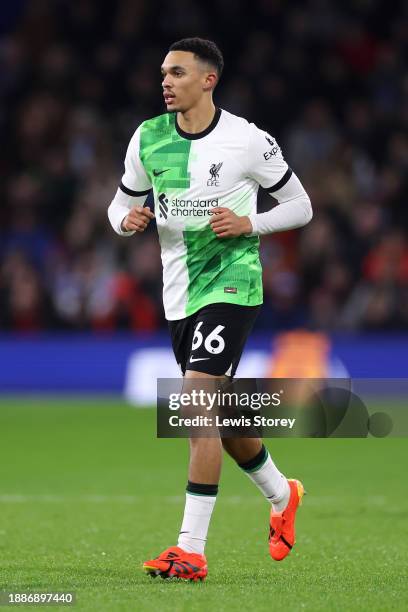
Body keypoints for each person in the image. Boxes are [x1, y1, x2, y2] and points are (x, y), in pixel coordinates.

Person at [108, 37, 312, 581]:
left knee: (196, 409)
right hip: (179, 293)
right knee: (220, 420)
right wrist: (123, 221)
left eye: (177, 73)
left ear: (208, 79)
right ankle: (282, 494)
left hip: (232, 285)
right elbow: (120, 202)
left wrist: (251, 223)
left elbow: (301, 205)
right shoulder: (148, 137)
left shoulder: (247, 140)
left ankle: (189, 551)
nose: (165, 82)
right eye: (163, 74)